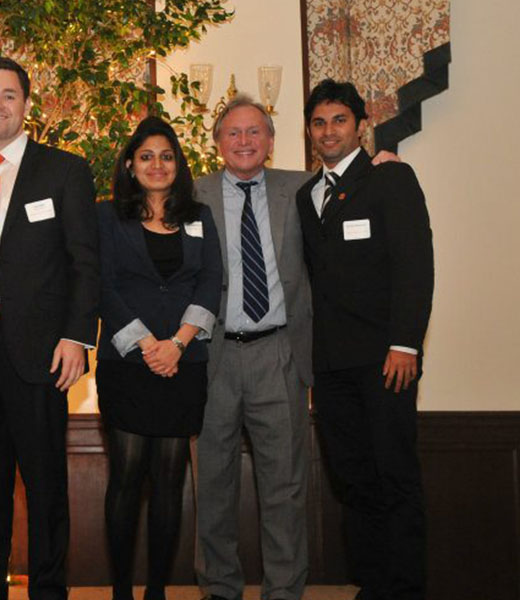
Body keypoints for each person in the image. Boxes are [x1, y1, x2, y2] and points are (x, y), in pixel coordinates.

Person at [0, 57, 100, 600]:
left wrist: (78, 337)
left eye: (9, 95)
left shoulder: (64, 170)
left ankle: (49, 590)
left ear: (27, 105)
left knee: (45, 483)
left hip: (42, 349)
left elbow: (84, 261)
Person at [296, 79, 433, 600]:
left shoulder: (391, 180)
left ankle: (405, 589)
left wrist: (406, 344)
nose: (328, 131)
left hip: (385, 361)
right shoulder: (308, 197)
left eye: (339, 121)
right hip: (330, 368)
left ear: (360, 126)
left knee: (395, 476)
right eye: (319, 122)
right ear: (310, 131)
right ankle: (373, 583)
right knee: (352, 480)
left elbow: (415, 265)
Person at [96, 116, 222, 600]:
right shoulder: (107, 216)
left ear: (178, 165)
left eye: (166, 156)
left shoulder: (199, 215)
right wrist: (149, 345)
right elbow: (103, 285)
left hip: (183, 365)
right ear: (130, 164)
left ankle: (156, 592)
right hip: (128, 365)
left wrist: (179, 343)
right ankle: (123, 590)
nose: (156, 164)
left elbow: (210, 281)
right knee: (126, 480)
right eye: (146, 156)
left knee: (170, 482)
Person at [193, 96, 314, 600]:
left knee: (284, 486)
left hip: (278, 353)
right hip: (212, 354)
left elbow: (357, 187)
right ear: (217, 142)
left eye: (254, 132)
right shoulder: (190, 192)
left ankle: (284, 591)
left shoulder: (303, 188)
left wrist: (383, 163)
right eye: (233, 133)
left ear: (270, 141)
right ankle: (220, 588)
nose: (244, 141)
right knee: (213, 486)